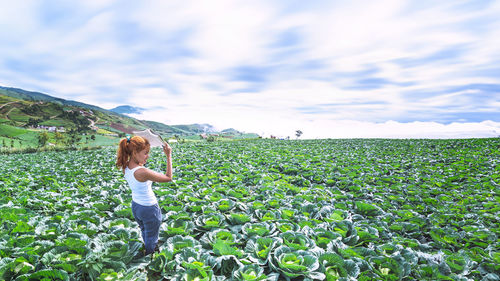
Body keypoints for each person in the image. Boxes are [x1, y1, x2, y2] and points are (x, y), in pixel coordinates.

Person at [115, 135, 172, 255]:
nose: (148, 156)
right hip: (149, 208)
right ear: (135, 153)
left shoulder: (125, 165)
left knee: (145, 231)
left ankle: (147, 248)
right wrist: (168, 156)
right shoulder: (142, 172)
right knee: (152, 237)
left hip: (136, 206)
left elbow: (138, 165)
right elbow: (168, 178)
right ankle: (149, 258)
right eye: (145, 153)